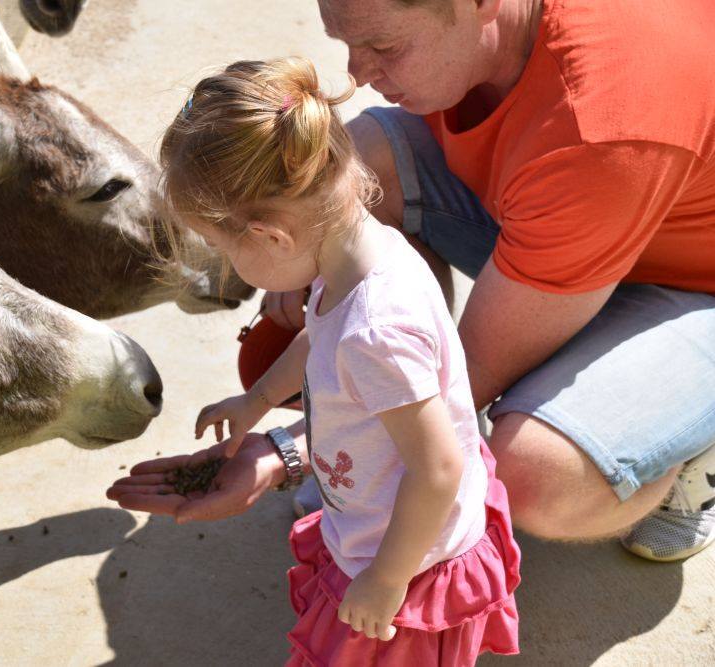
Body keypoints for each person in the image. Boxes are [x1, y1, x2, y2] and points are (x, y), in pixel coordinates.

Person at [254, 0, 715, 562]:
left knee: (537, 474)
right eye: (348, 42)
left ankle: (687, 455)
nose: (358, 74)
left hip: (693, 284)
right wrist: (306, 238)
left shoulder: (602, 121)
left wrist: (301, 452)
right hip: (591, 211)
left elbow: (467, 372)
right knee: (338, 185)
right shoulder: (488, 46)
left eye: (385, 48)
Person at [108, 57, 520, 665]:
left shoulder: (377, 333)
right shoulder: (363, 255)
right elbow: (315, 335)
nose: (228, 268)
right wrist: (256, 401)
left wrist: (385, 579)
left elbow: (438, 471)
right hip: (378, 519)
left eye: (223, 250)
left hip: (407, 556)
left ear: (272, 238)